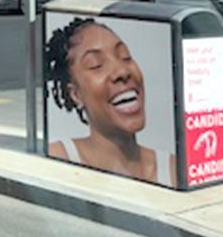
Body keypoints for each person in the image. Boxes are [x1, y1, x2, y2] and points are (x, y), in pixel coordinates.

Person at [45, 18, 176, 186]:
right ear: (76, 94)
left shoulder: (173, 169)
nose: (122, 72)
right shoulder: (59, 159)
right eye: (96, 65)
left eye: (125, 56)